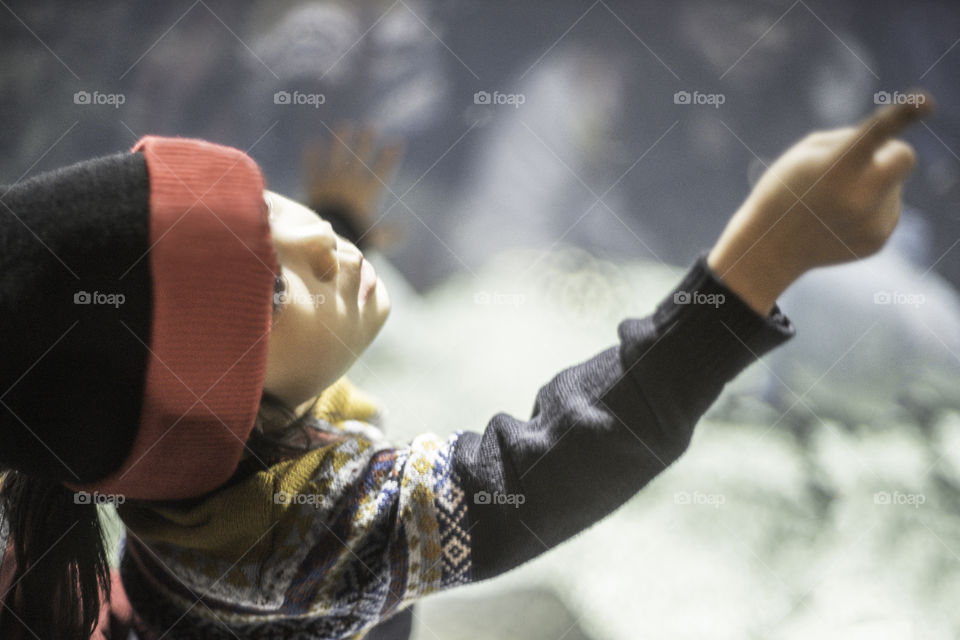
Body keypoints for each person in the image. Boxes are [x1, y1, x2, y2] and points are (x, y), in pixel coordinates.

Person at [0, 92, 932, 639]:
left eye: (268, 206)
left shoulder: (196, 462)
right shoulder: (278, 541)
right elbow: (535, 473)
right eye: (269, 291)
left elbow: (225, 344)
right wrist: (751, 268)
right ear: (223, 412)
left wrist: (322, 250)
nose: (316, 241)